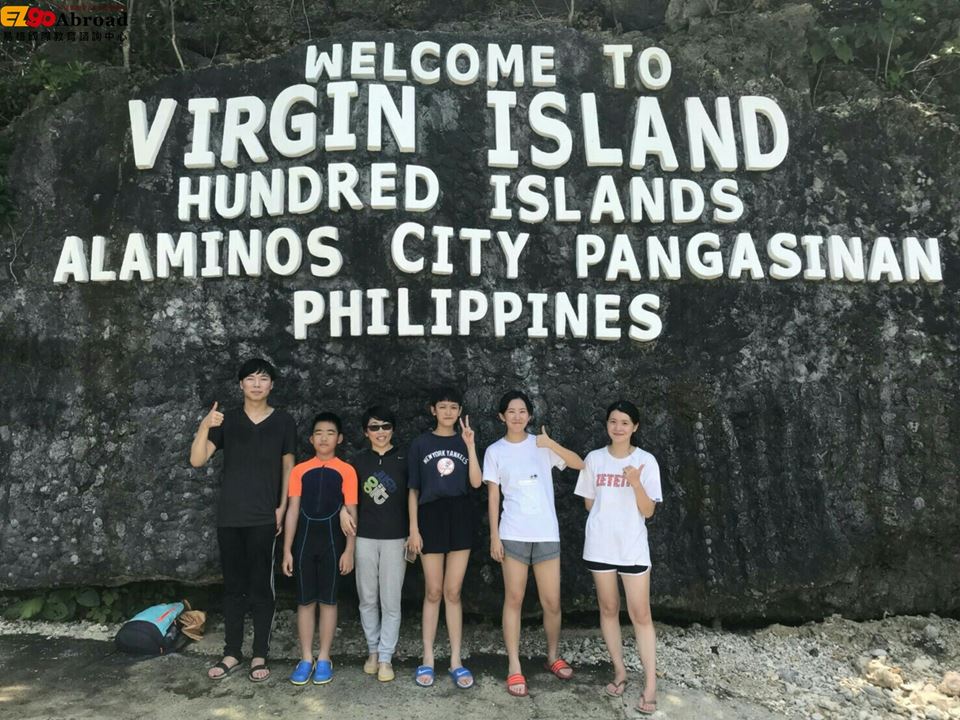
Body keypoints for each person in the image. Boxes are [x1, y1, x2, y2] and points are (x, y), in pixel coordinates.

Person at [189, 357, 296, 683]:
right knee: (234, 587)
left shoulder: (283, 421)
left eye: (263, 379)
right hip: (230, 517)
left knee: (262, 587)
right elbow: (197, 460)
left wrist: (282, 507)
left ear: (271, 385)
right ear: (241, 385)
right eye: (250, 378)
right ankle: (232, 652)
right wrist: (204, 425)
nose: (256, 384)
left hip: (264, 516)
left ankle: (260, 653)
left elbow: (288, 468)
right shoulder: (228, 421)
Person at [483, 390, 585, 697]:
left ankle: (552, 656)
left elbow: (579, 464)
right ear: (502, 416)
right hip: (512, 533)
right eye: (511, 411)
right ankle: (514, 665)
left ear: (529, 415)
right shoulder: (495, 451)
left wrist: (551, 444)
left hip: (545, 533)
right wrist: (494, 536)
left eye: (522, 411)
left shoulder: (541, 444)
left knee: (551, 601)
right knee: (513, 599)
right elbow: (493, 496)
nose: (517, 416)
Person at [574, 400, 663, 715]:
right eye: (613, 421)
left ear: (635, 427)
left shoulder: (645, 461)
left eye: (625, 422)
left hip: (632, 548)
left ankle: (650, 683)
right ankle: (620, 670)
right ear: (607, 425)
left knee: (641, 614)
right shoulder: (594, 459)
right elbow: (589, 503)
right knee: (608, 608)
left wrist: (636, 483)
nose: (618, 427)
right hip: (600, 546)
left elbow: (648, 511)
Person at [406, 387, 482, 689]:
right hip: (430, 516)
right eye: (442, 406)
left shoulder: (465, 441)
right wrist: (414, 529)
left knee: (453, 591)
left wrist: (470, 445)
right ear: (433, 410)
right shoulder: (420, 444)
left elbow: (476, 482)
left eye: (453, 407)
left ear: (460, 411)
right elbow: (413, 489)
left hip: (460, 515)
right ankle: (427, 658)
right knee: (433, 591)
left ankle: (455, 660)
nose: (448, 412)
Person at [281, 412, 358, 686]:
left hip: (333, 544)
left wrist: (349, 550)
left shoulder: (347, 470)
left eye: (330, 433)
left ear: (340, 439)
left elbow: (352, 512)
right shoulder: (299, 470)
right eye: (319, 433)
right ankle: (305, 657)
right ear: (311, 439)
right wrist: (287, 549)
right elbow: (293, 510)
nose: (324, 438)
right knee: (305, 602)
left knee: (328, 601)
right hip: (304, 543)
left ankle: (324, 657)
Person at [339, 406, 408, 682]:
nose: (381, 432)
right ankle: (372, 651)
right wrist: (342, 511)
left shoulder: (404, 459)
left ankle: (386, 657)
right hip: (364, 537)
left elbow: (414, 496)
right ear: (365, 432)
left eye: (386, 426)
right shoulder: (357, 462)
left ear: (393, 429)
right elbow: (347, 496)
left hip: (396, 538)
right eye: (374, 427)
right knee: (367, 598)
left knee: (391, 600)